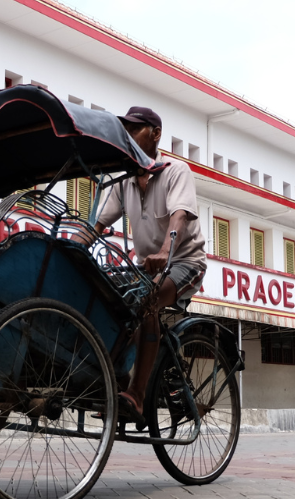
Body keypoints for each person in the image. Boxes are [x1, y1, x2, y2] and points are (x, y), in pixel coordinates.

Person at [90, 106, 206, 428]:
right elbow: (97, 224)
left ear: (155, 134)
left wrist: (166, 249)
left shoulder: (175, 171)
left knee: (146, 301)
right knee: (107, 302)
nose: (128, 135)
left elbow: (180, 216)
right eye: (125, 129)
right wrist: (72, 243)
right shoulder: (124, 180)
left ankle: (137, 396)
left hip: (184, 261)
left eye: (135, 129)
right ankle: (113, 385)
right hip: (146, 268)